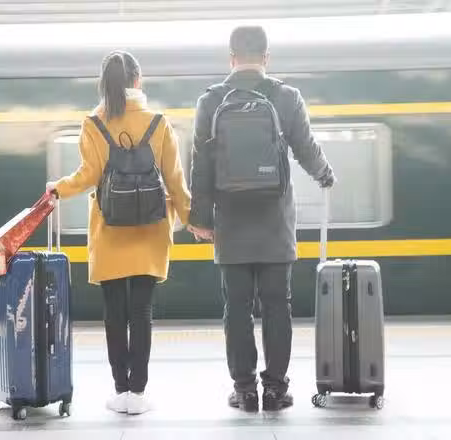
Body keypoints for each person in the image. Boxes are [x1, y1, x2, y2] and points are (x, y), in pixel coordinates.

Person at [187, 26, 336, 412]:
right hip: (275, 221)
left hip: (231, 221)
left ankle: (244, 390)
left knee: (236, 308)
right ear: (266, 58)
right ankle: (274, 389)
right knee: (276, 305)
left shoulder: (211, 100)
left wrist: (200, 218)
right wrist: (324, 174)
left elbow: (200, 164)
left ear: (231, 58)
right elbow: (305, 148)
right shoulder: (286, 97)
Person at [46, 50, 191, 415]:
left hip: (109, 229)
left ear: (105, 84)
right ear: (138, 81)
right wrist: (193, 219)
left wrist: (57, 189)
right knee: (142, 310)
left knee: (114, 312)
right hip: (151, 229)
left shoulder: (93, 123)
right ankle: (138, 394)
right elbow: (175, 181)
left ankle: (120, 390)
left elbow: (88, 176)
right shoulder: (159, 123)